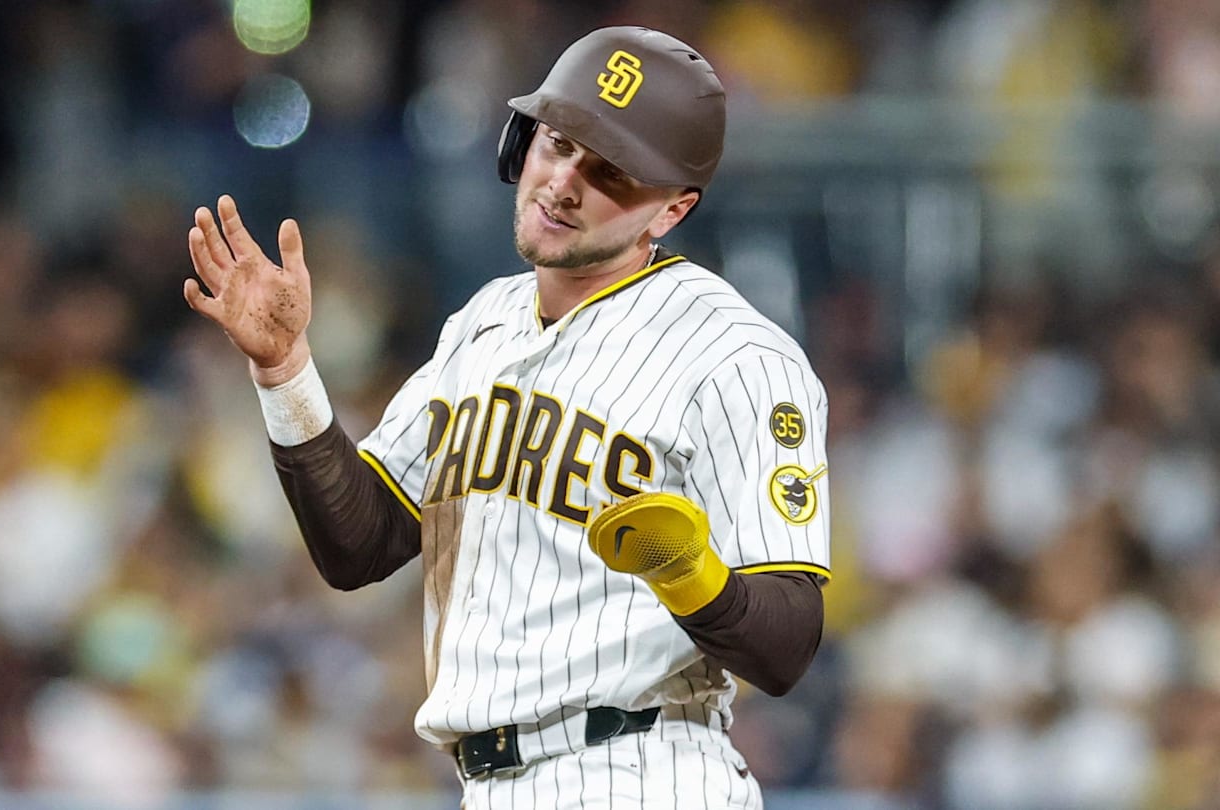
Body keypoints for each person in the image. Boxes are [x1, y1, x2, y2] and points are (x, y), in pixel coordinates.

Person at [184, 25, 830, 810]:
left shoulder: (735, 356)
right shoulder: (484, 323)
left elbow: (788, 645)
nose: (562, 182)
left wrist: (692, 576)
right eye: (558, 143)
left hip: (641, 770)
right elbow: (359, 545)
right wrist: (285, 371)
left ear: (672, 209)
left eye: (610, 171)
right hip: (488, 784)